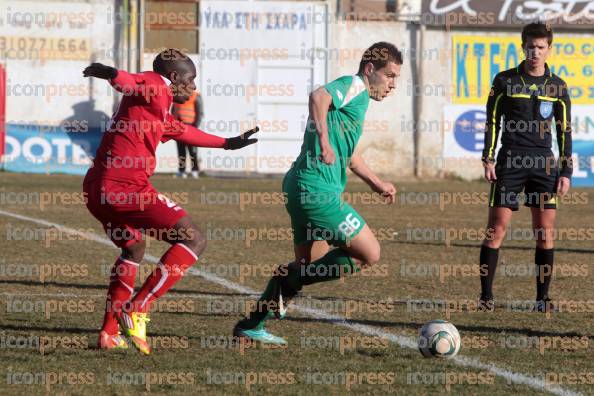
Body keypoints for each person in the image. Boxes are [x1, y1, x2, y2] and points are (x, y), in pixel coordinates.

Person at [82, 49, 258, 354]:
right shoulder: (157, 84)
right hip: (126, 187)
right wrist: (112, 74)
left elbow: (183, 131)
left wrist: (228, 144)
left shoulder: (155, 109)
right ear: (174, 77)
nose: (193, 88)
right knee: (194, 238)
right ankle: (138, 308)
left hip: (97, 189)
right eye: (190, 80)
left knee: (133, 246)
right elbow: (133, 82)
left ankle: (109, 334)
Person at [233, 42, 402, 344]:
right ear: (370, 70)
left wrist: (376, 183)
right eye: (389, 76)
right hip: (316, 191)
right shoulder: (354, 85)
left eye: (396, 79)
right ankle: (287, 281)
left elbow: (348, 155)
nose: (392, 85)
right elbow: (318, 96)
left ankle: (252, 324)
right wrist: (323, 140)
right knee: (369, 254)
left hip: (300, 186)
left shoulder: (358, 103)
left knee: (309, 265)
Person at [479, 22, 572, 313]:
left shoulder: (557, 86)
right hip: (510, 162)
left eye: (540, 47)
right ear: (523, 47)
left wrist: (566, 171)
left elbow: (564, 131)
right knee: (496, 229)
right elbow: (492, 121)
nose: (535, 52)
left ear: (548, 49)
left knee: (544, 232)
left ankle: (542, 299)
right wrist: (488, 157)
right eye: (530, 46)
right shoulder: (505, 80)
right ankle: (485, 297)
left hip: (544, 164)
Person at [173, 90, 203, 178]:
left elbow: (199, 113)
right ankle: (181, 171)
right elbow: (173, 110)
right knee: (181, 150)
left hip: (191, 127)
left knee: (192, 150)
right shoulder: (177, 95)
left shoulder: (195, 96)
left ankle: (195, 170)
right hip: (179, 127)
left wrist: (195, 126)